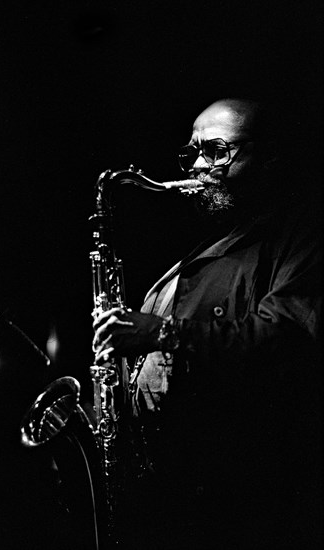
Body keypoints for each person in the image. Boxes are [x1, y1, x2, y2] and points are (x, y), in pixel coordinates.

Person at [92, 98, 322, 549]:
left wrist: (162, 333)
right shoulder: (206, 249)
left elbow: (287, 335)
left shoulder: (300, 234)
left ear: (269, 159)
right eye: (194, 152)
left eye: (217, 151)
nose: (199, 166)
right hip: (171, 491)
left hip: (241, 500)